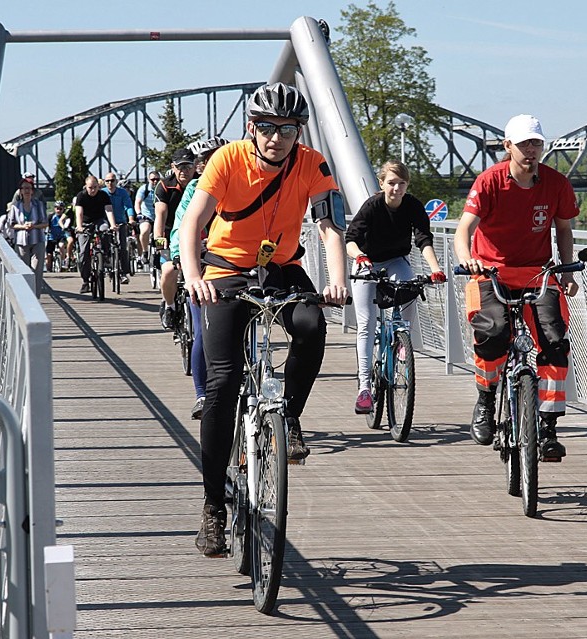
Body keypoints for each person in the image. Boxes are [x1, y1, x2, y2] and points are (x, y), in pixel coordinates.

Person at [179, 82, 349, 556]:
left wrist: (336, 281)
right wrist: (194, 276)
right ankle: (213, 508)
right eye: (268, 128)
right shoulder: (227, 159)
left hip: (282, 268)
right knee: (222, 384)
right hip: (225, 271)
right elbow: (194, 221)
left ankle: (289, 416)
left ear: (299, 132)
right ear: (252, 127)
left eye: (288, 129)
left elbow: (328, 228)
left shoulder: (312, 164)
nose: (277, 137)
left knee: (312, 325)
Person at [454, 114, 580, 460]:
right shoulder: (490, 181)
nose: (531, 150)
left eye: (536, 143)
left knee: (554, 342)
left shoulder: (555, 183)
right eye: (524, 143)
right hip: (490, 272)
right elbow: (463, 230)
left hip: (537, 273)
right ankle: (485, 399)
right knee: (493, 335)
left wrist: (567, 272)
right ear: (508, 146)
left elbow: (564, 229)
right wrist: (469, 259)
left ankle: (548, 428)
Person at [345, 160, 446, 414]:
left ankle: (402, 340)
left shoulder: (412, 205)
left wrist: (435, 268)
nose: (397, 188)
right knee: (366, 324)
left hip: (395, 260)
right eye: (391, 183)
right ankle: (365, 388)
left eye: (402, 183)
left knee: (410, 288)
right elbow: (350, 240)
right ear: (381, 184)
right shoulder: (372, 206)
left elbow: (423, 239)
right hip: (367, 262)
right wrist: (360, 257)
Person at [170, 136, 229, 421]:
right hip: (204, 268)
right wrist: (180, 256)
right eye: (208, 159)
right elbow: (181, 228)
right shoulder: (195, 188)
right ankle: (202, 393)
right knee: (203, 332)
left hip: (236, 268)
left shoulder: (241, 183)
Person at [155, 148, 197, 329]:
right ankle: (170, 305)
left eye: (188, 166)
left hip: (196, 233)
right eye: (180, 167)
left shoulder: (202, 182)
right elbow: (160, 215)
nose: (184, 171)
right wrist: (159, 240)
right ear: (173, 167)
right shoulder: (164, 186)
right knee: (168, 271)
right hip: (170, 234)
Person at [10, 178, 49, 298]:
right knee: (23, 271)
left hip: (37, 239)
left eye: (29, 188)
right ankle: (24, 297)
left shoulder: (39, 205)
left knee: (37, 271)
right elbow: (11, 224)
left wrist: (34, 226)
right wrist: (22, 226)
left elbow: (45, 223)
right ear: (20, 191)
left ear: (32, 191)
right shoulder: (15, 206)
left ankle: (36, 298)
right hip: (22, 242)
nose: (27, 190)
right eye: (24, 188)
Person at [74, 175, 113, 294]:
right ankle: (86, 281)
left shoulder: (103, 195)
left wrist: (113, 225)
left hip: (99, 221)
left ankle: (105, 256)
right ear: (86, 186)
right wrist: (79, 226)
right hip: (85, 223)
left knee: (106, 231)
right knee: (83, 252)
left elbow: (109, 210)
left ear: (98, 186)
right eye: (90, 187)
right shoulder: (81, 196)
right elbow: (79, 213)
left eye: (95, 187)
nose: (93, 190)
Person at [102, 172, 136, 284]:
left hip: (121, 222)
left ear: (116, 182)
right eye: (107, 181)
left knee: (122, 247)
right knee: (105, 245)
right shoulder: (102, 193)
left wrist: (131, 219)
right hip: (106, 223)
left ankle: (123, 273)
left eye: (112, 180)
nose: (110, 183)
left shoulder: (122, 193)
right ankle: (106, 265)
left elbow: (128, 206)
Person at [134, 171, 160, 263]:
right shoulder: (143, 189)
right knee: (145, 230)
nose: (155, 181)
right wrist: (139, 213)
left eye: (157, 179)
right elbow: (138, 202)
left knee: (160, 236)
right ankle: (145, 252)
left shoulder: (162, 188)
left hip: (159, 217)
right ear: (149, 180)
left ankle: (160, 252)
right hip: (146, 216)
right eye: (153, 179)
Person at [45, 202, 66, 272]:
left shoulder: (64, 216)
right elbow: (46, 224)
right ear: (54, 209)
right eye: (57, 208)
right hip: (51, 236)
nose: (59, 210)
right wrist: (46, 230)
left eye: (61, 209)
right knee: (49, 254)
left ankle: (63, 262)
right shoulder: (51, 216)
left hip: (61, 236)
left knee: (61, 245)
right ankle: (49, 268)